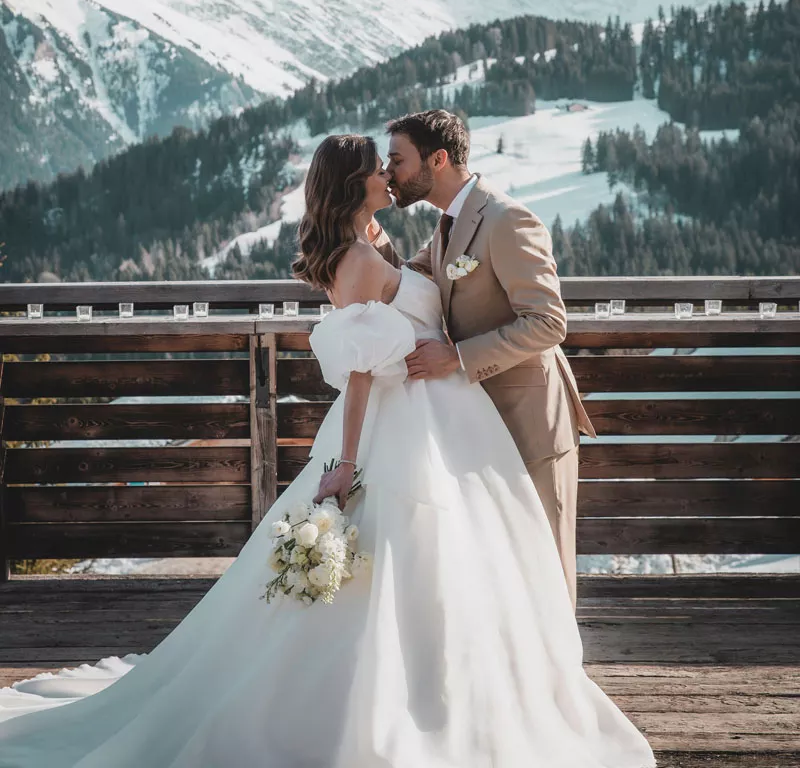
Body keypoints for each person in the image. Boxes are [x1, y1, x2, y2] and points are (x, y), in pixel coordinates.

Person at [0, 134, 654, 768]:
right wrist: (346, 463)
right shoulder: (357, 259)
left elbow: (422, 300)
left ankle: (453, 679)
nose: (388, 176)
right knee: (396, 556)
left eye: (390, 163)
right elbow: (364, 369)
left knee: (445, 558)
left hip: (443, 413)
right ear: (355, 182)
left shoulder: (376, 243)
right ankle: (384, 699)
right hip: (400, 422)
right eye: (378, 167)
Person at [371, 109, 595, 607]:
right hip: (481, 420)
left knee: (544, 554)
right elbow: (407, 280)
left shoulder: (507, 219)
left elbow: (548, 322)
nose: (389, 173)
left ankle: (556, 679)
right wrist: (364, 224)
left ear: (440, 158)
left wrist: (456, 357)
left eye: (397, 160)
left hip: (531, 418)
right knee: (501, 557)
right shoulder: (449, 224)